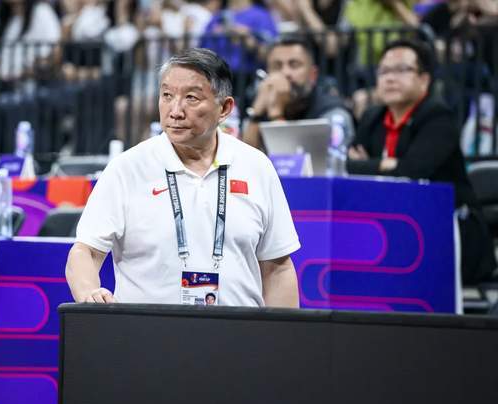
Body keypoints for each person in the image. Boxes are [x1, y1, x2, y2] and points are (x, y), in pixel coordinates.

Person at [66, 48, 300, 307]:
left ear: (224, 108)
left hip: (238, 331)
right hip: (146, 331)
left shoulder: (256, 167)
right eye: (167, 95)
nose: (175, 110)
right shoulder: (126, 169)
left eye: (191, 98)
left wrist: (284, 332)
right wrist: (88, 292)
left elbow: (278, 268)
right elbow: (86, 251)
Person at [347, 38, 497, 285]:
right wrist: (389, 165)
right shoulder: (373, 116)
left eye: (402, 70)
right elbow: (349, 165)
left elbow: (414, 171)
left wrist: (374, 165)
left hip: (449, 231)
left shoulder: (438, 117)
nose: (390, 78)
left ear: (424, 80)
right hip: (394, 225)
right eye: (384, 71)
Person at [243, 35, 354, 151]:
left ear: (313, 75)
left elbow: (291, 162)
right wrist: (256, 114)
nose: (285, 73)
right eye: (277, 66)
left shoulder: (333, 112)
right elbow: (245, 157)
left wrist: (276, 114)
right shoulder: (263, 104)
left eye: (294, 65)